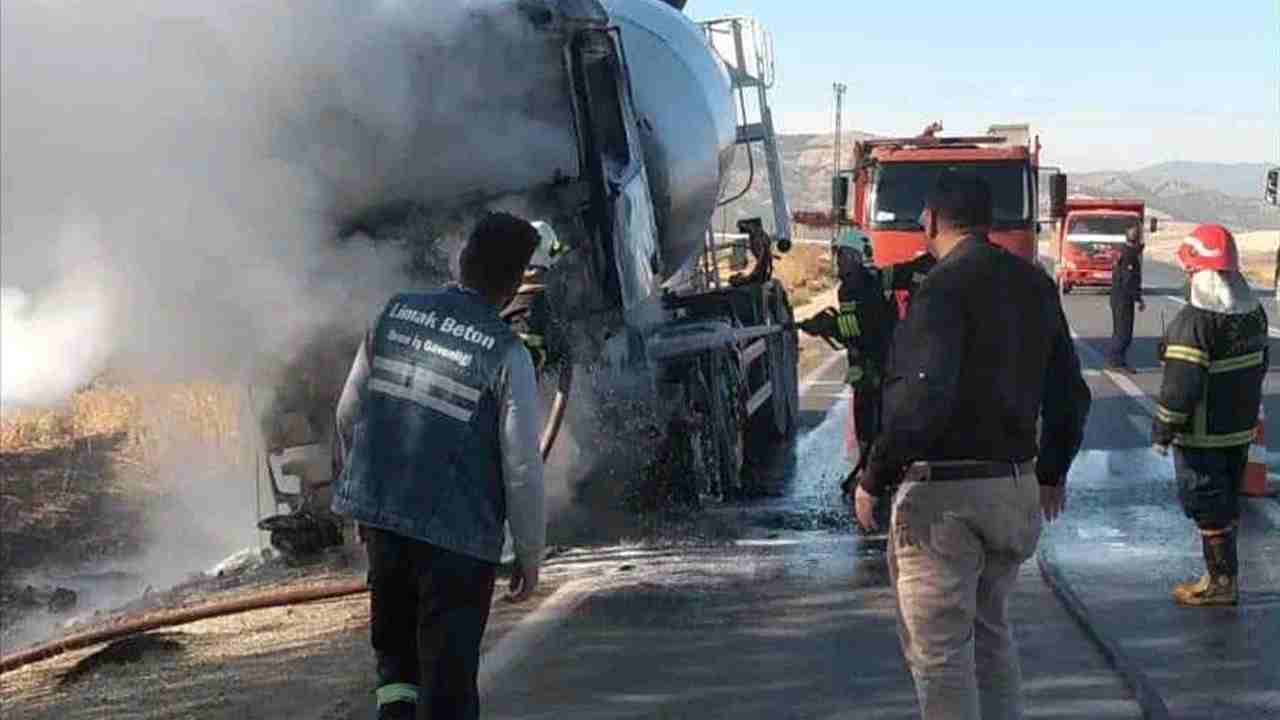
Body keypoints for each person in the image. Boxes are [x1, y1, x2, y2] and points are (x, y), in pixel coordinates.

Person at [854, 171, 1091, 719]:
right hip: (1013, 489)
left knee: (939, 655)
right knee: (990, 637)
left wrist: (874, 477)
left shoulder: (942, 287)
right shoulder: (1034, 284)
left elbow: (921, 398)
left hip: (947, 501)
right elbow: (1070, 393)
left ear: (932, 220)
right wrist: (1051, 471)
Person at [330, 212, 547, 720]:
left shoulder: (392, 312)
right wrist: (529, 553)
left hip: (385, 524)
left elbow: (347, 414)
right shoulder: (506, 351)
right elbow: (521, 467)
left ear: (461, 260)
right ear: (515, 284)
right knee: (448, 684)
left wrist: (368, 497)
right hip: (459, 542)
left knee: (396, 671)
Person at [1153, 224, 1267, 607]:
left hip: (1203, 435)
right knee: (1224, 501)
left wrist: (1163, 429)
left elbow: (1179, 388)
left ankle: (1221, 583)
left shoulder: (1194, 323)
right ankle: (1220, 576)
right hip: (1238, 430)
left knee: (1206, 503)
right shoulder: (1254, 316)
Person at [1106, 225, 1145, 372]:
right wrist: (1138, 298)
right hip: (1123, 299)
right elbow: (1128, 281)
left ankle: (1116, 360)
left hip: (1119, 297)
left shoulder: (1125, 252)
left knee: (1120, 330)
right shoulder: (1129, 256)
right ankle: (1116, 361)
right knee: (1124, 332)